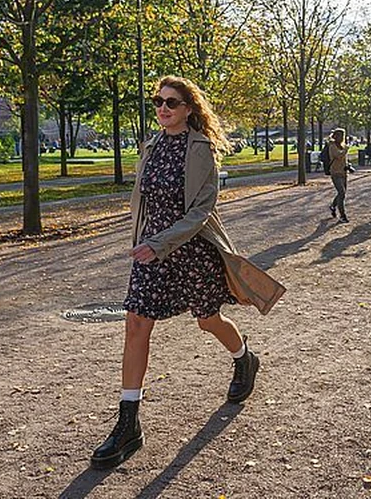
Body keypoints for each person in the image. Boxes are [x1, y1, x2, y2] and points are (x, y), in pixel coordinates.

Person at [91, 75, 285, 470]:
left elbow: (200, 211)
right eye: (159, 102)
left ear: (189, 108)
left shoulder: (201, 150)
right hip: (151, 251)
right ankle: (129, 424)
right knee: (136, 324)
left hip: (190, 249)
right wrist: (144, 239)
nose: (163, 108)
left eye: (172, 102)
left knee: (208, 320)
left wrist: (160, 241)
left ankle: (244, 358)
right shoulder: (152, 144)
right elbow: (141, 200)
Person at [327, 128, 349, 223]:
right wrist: (346, 150)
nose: (341, 138)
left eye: (343, 136)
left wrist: (348, 165)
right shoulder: (332, 146)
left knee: (342, 194)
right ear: (336, 136)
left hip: (343, 172)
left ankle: (333, 206)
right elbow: (338, 155)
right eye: (340, 136)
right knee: (341, 192)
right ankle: (342, 215)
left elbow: (343, 159)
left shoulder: (342, 145)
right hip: (335, 173)